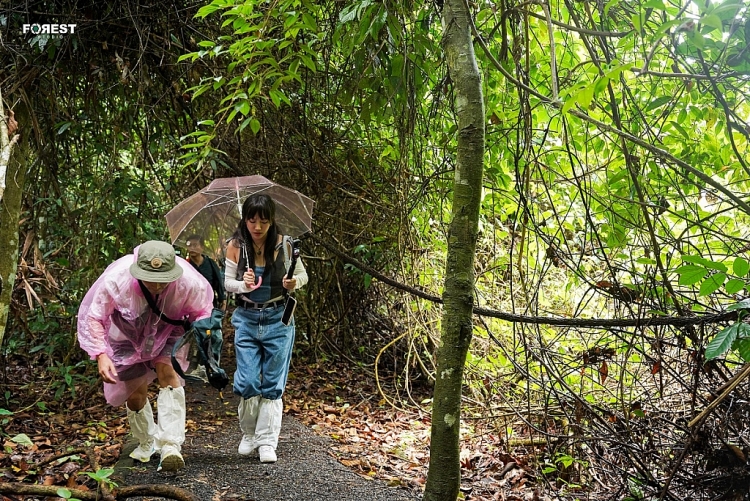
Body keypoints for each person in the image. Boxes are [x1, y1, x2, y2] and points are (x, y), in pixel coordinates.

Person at [77, 241, 214, 472]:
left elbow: (203, 312)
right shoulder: (116, 282)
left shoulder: (189, 284)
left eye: (163, 278)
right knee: (135, 395)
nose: (157, 285)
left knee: (168, 373)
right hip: (125, 336)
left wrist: (203, 336)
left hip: (169, 331)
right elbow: (95, 317)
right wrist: (100, 353)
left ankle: (170, 446)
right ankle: (147, 440)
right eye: (151, 278)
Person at [224, 194, 308, 463]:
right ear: (245, 219)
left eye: (263, 220)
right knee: (247, 380)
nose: (257, 226)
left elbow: (303, 276)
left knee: (273, 383)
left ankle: (267, 442)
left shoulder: (284, 246)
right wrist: (243, 285)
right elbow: (227, 283)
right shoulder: (236, 247)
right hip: (246, 319)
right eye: (252, 219)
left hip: (278, 318)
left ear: (271, 221)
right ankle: (249, 434)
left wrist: (294, 282)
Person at [185, 234, 227, 310]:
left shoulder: (210, 264)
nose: (191, 248)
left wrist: (222, 300)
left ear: (202, 247)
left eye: (195, 245)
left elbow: (218, 282)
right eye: (189, 245)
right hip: (190, 304)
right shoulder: (185, 265)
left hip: (208, 303)